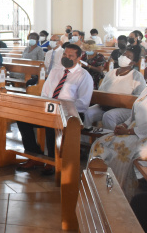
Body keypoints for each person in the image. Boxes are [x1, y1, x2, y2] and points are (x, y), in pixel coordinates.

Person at [90, 54, 147, 197]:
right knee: (100, 143)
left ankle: (119, 193)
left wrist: (129, 132)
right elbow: (134, 112)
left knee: (117, 150)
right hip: (136, 130)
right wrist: (124, 125)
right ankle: (100, 189)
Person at [16, 44, 94, 175]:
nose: (66, 57)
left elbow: (83, 103)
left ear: (79, 58)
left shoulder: (84, 76)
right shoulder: (56, 70)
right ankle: (35, 156)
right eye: (65, 54)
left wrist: (62, 106)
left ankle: (52, 162)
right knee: (23, 120)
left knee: (52, 124)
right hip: (50, 109)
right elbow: (45, 93)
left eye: (71, 56)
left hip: (71, 114)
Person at [84, 45, 146, 131]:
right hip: (105, 105)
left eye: (128, 57)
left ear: (133, 62)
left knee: (109, 116)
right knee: (87, 113)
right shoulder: (111, 73)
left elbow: (139, 99)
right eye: (124, 55)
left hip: (125, 109)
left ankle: (111, 140)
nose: (124, 57)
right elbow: (101, 91)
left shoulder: (137, 76)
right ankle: (86, 141)